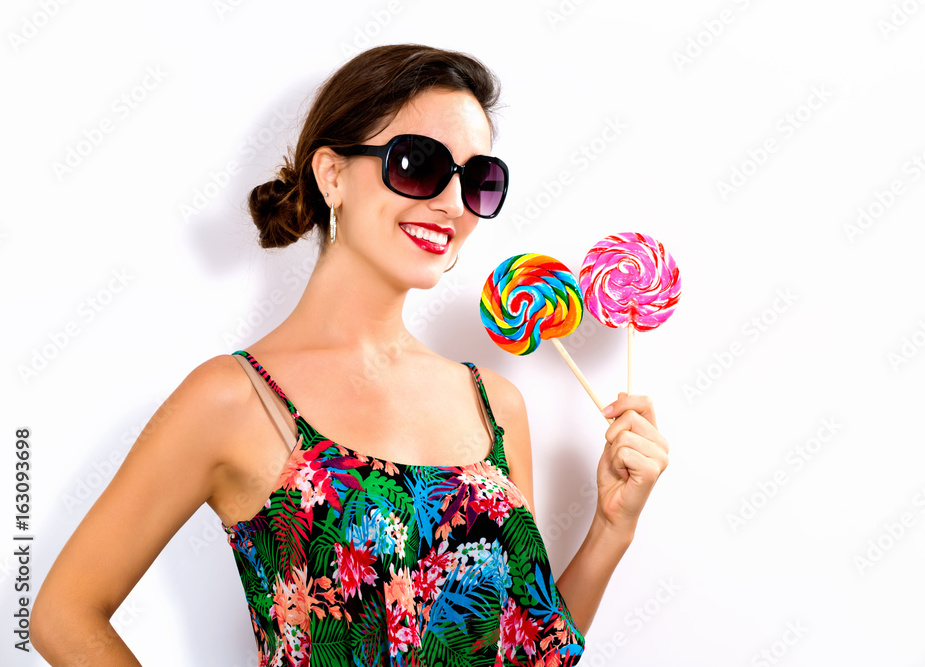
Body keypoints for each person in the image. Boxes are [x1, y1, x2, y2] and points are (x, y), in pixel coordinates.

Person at [30, 44, 670, 666]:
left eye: (477, 180)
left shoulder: (496, 403)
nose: (450, 204)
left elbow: (533, 651)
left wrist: (613, 526)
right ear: (333, 174)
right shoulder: (232, 398)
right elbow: (64, 614)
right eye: (419, 164)